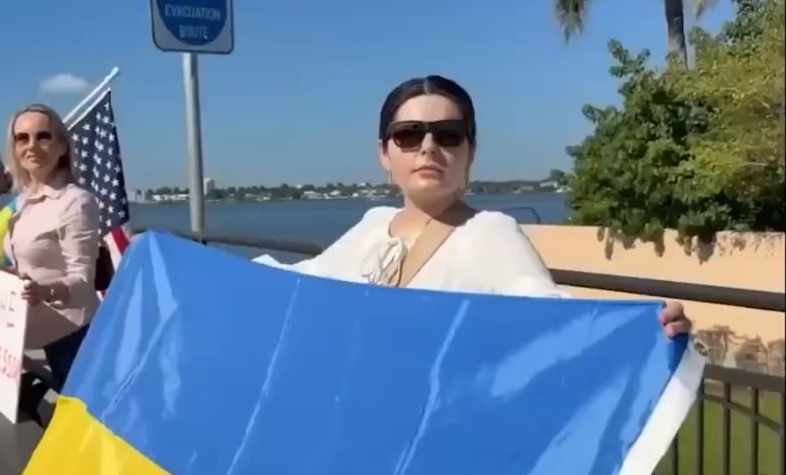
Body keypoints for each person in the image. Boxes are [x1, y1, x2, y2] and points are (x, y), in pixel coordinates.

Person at [260, 76, 691, 339]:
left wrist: (644, 327)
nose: (428, 147)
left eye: (448, 135)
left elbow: (550, 314)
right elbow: (302, 283)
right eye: (409, 134)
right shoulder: (373, 226)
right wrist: (199, 272)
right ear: (384, 152)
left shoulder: (489, 232)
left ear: (469, 151)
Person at [0, 103, 101, 389]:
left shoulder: (75, 202)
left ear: (61, 147)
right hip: (37, 329)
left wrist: (45, 291)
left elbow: (83, 280)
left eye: (43, 136)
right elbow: (28, 270)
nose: (31, 146)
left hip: (73, 336)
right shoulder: (21, 202)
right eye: (22, 138)